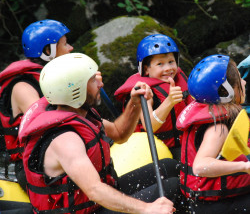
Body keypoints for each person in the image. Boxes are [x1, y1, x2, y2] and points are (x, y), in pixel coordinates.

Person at [18, 53, 176, 214]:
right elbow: (94, 190)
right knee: (173, 187)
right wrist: (148, 209)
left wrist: (134, 104)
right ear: (76, 90)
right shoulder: (65, 140)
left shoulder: (80, 113)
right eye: (93, 80)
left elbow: (119, 133)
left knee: (171, 167)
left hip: (95, 199)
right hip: (87, 207)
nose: (101, 83)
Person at [0, 19, 73, 191]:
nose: (71, 48)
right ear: (48, 51)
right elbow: (46, 123)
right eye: (65, 44)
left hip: (61, 153)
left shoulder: (53, 78)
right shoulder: (22, 86)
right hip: (32, 165)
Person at [176, 54, 250, 214]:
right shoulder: (219, 127)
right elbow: (200, 166)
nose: (244, 82)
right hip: (216, 205)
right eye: (239, 80)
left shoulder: (210, 110)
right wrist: (245, 166)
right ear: (226, 91)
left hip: (208, 199)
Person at [114, 34, 193, 162]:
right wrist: (169, 101)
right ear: (146, 69)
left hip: (185, 141)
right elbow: (150, 127)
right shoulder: (142, 89)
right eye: (160, 64)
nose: (168, 68)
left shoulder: (179, 77)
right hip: (155, 151)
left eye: (171, 62)